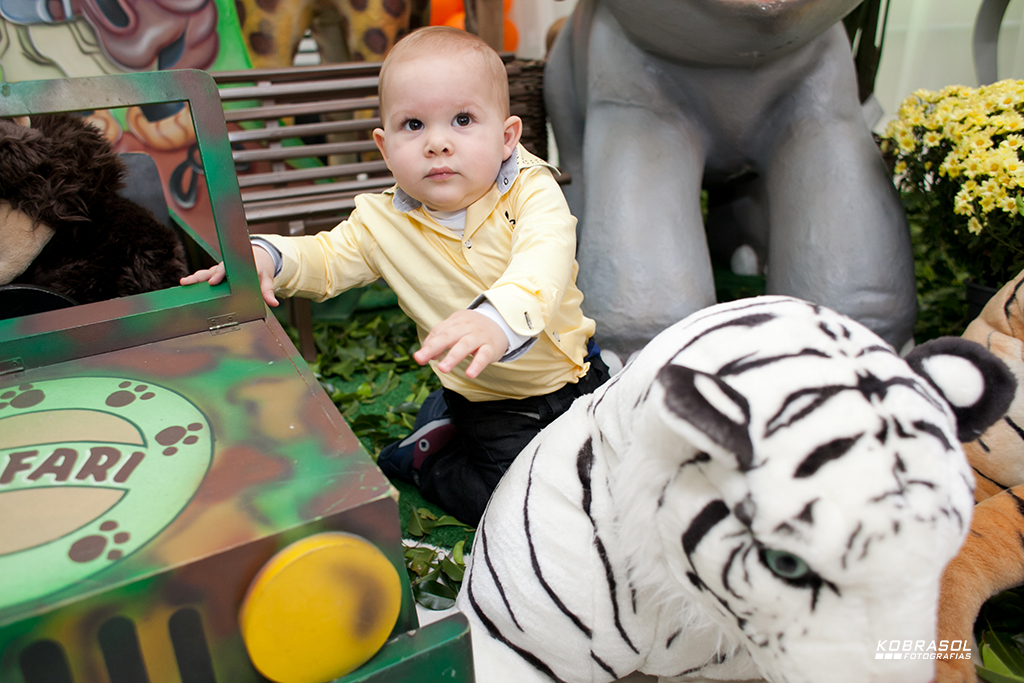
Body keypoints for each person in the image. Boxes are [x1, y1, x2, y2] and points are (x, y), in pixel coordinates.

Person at [181, 26, 608, 526]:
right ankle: (432, 458)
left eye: (463, 120)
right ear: (385, 149)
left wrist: (497, 319)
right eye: (413, 125)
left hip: (582, 370)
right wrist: (269, 257)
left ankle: (444, 417)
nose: (438, 143)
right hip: (493, 403)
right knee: (520, 508)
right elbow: (326, 257)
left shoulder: (531, 189)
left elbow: (544, 256)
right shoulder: (380, 222)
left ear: (507, 136)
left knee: (614, 471)